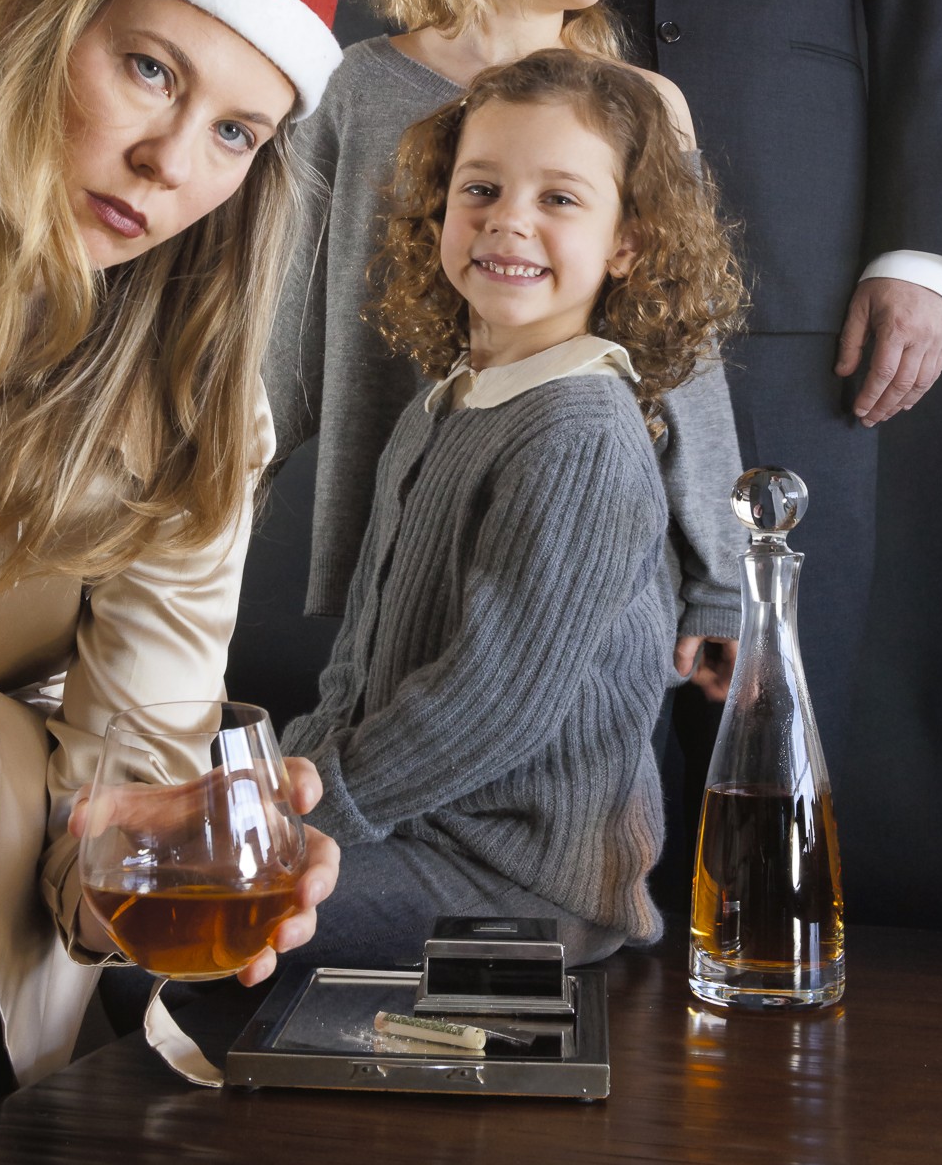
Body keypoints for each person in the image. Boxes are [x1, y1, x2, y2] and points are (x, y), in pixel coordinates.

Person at [0, 0, 353, 1153]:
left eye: (235, 132)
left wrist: (152, 846)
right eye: (150, 69)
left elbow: (106, 831)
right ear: (51, 17)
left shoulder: (200, 410)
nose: (172, 165)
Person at [410, 0, 942, 784]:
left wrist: (916, 252)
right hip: (533, 284)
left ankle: (755, 915)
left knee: (779, 704)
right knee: (552, 697)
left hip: (797, 288)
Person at [265, 0, 744, 708]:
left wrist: (722, 577)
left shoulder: (644, 106)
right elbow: (283, 334)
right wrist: (195, 495)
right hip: (404, 543)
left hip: (589, 553)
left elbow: (682, 354)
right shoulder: (357, 89)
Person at [279, 49, 743, 966]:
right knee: (136, 876)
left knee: (182, 924)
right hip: (405, 828)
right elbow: (358, 662)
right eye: (480, 189)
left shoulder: (581, 432)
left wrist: (303, 815)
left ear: (626, 243)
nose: (507, 220)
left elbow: (491, 703)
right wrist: (280, 786)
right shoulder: (443, 403)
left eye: (558, 198)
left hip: (517, 881)